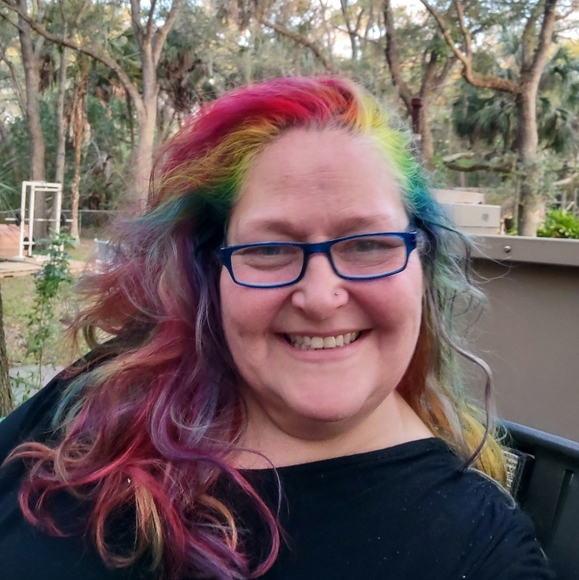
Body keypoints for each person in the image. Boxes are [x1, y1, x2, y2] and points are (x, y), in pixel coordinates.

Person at [0, 77, 553, 580]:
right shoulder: (106, 387)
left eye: (367, 244)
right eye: (269, 248)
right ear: (210, 272)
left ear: (421, 264)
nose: (320, 298)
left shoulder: (483, 553)